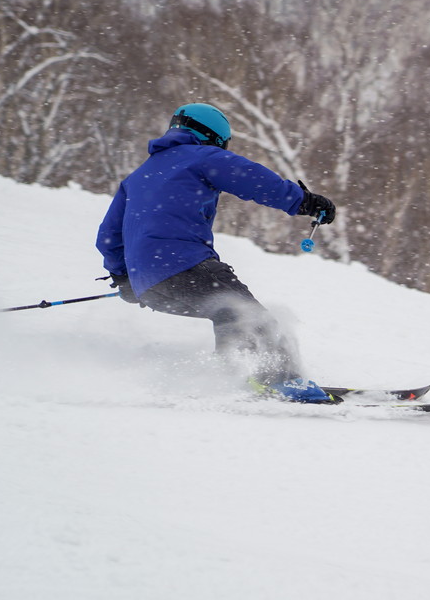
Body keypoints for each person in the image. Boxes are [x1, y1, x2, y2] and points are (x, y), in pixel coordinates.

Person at [96, 102, 337, 403]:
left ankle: (228, 378)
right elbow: (252, 178)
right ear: (215, 137)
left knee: (228, 314)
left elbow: (108, 235)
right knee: (250, 317)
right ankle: (282, 382)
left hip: (151, 286)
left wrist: (126, 279)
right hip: (186, 265)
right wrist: (304, 201)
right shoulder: (201, 156)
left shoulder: (138, 176)